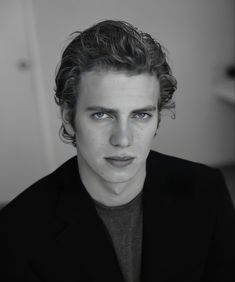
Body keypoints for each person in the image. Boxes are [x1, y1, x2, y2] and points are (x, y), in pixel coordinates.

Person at [0, 20, 234, 282]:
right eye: (102, 114)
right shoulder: (15, 230)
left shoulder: (208, 191)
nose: (123, 139)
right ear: (69, 118)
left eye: (141, 115)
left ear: (157, 118)